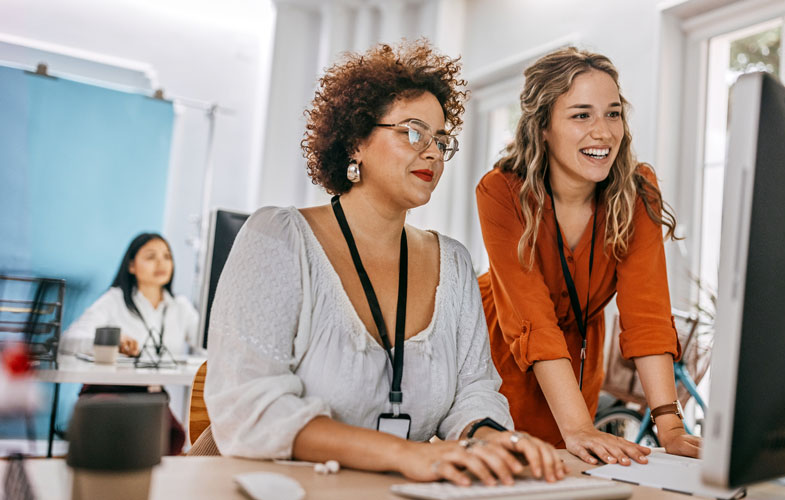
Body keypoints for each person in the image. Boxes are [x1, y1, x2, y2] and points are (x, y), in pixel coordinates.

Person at [203, 39, 566, 485]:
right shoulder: (278, 238)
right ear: (356, 141)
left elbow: (473, 393)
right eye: (414, 132)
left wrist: (493, 439)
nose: (432, 151)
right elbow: (251, 408)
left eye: (441, 140)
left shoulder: (452, 263)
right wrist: (406, 455)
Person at [476, 47, 702, 467]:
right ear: (543, 126)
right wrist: (578, 426)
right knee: (513, 475)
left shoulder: (637, 191)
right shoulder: (501, 191)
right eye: (582, 115)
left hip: (579, 357)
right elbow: (532, 320)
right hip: (502, 352)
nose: (603, 132)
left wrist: (670, 425)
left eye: (613, 114)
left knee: (578, 473)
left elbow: (647, 314)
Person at [61, 232, 199, 455]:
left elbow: (208, 344)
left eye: (167, 257)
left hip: (152, 397)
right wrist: (111, 341)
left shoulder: (180, 307)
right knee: (125, 440)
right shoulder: (114, 300)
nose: (161, 263)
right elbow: (69, 341)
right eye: (151, 256)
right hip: (107, 391)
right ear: (132, 266)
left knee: (173, 439)